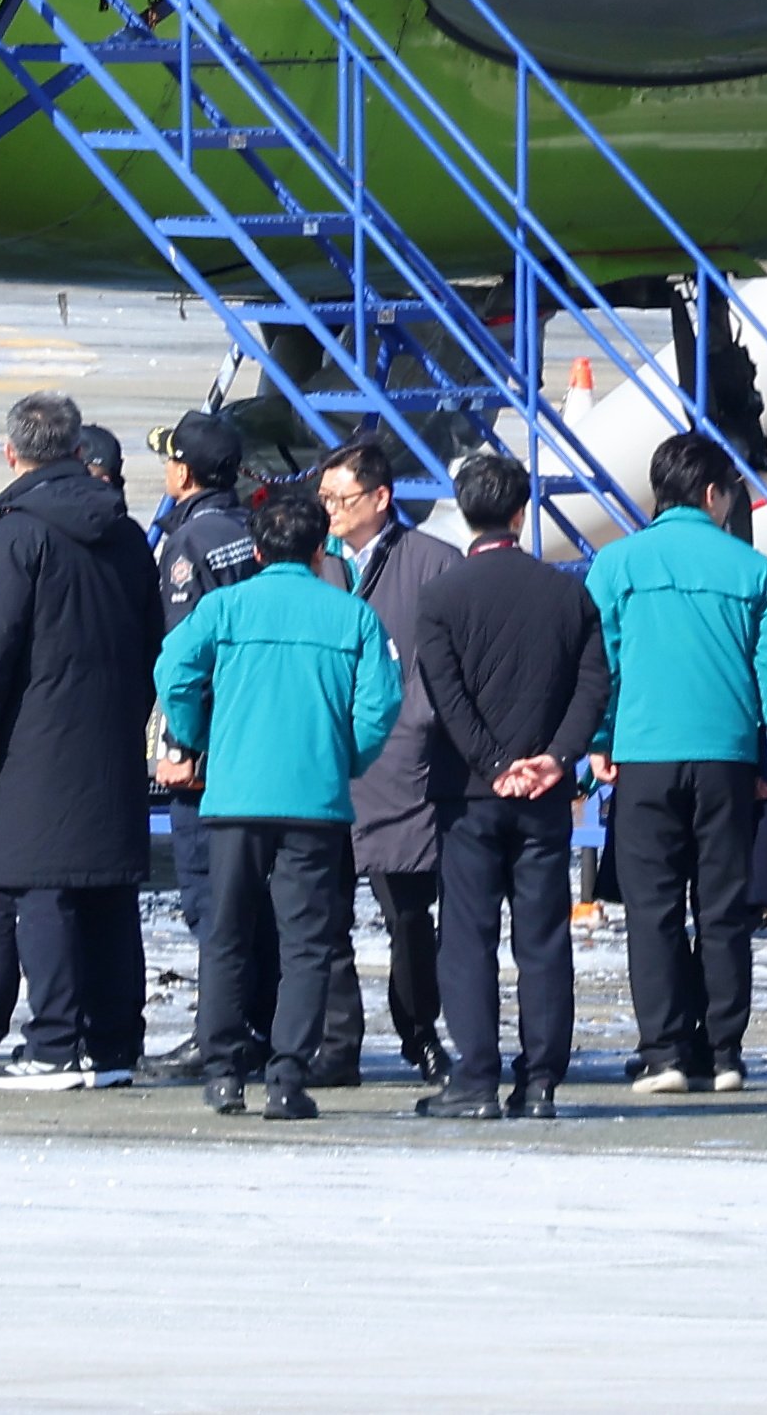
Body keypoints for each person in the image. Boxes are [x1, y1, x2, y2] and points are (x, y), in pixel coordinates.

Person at [155, 486, 401, 1122]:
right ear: (322, 548)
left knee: (226, 933)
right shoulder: (352, 615)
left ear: (258, 548)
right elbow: (381, 705)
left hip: (234, 795)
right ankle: (288, 1076)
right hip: (314, 802)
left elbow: (174, 671)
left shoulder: (225, 608)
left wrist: (195, 734)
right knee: (306, 942)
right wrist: (345, 757)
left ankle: (221, 1070)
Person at [0, 393, 162, 1091]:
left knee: (43, 889)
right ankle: (115, 1041)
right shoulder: (125, 533)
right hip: (109, 734)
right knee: (107, 891)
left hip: (30, 743)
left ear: (12, 454)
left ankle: (54, 1041)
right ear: (75, 449)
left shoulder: (17, 535)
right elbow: (154, 638)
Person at [584, 430, 767, 1093]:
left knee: (651, 907)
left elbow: (601, 665)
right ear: (713, 495)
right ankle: (726, 1050)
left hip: (644, 753)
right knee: (722, 907)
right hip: (728, 757)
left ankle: (666, 1052)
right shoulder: (753, 569)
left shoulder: (617, 566)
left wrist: (599, 742)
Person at [410, 451, 608, 1122]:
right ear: (522, 513)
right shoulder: (566, 593)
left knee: (466, 937)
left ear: (465, 513)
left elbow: (447, 692)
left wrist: (493, 762)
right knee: (543, 938)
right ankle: (542, 1079)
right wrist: (556, 758)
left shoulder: (440, 597)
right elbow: (593, 685)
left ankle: (474, 1078)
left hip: (469, 794)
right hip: (545, 796)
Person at [319, 438, 456, 1085]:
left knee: (407, 913)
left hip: (401, 766)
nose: (332, 511)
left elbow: (445, 668)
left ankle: (420, 1030)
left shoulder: (431, 564)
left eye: (342, 499)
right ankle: (337, 1044)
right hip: (323, 766)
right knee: (322, 913)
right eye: (324, 499)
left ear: (381, 498)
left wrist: (417, 724)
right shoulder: (314, 564)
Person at [149, 410, 263, 938]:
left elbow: (184, 654)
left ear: (185, 473)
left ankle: (228, 1013)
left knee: (206, 893)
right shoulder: (250, 529)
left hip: (207, 747)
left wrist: (180, 748)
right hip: (253, 735)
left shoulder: (189, 544)